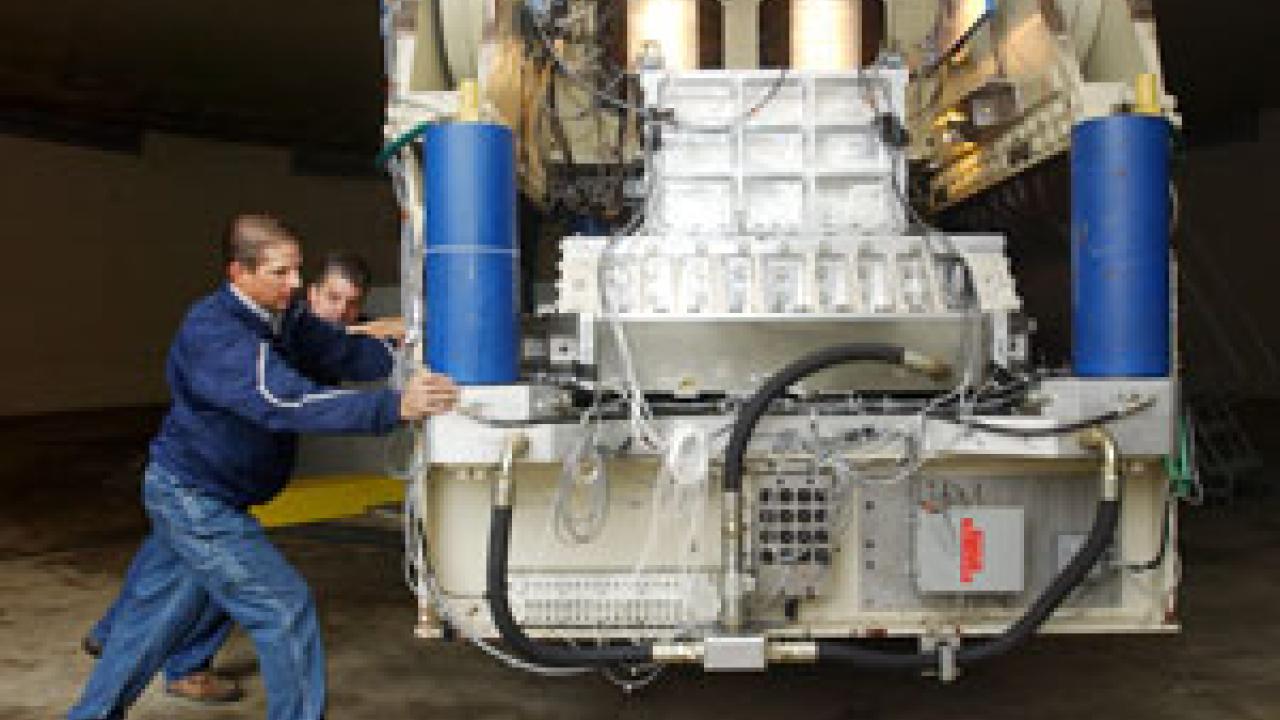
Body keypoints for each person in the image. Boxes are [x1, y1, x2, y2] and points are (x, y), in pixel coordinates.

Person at [68, 214, 458, 720]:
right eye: (280, 272)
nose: (295, 283)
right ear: (239, 272)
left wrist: (416, 351)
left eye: (296, 269)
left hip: (205, 492)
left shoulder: (284, 316)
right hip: (194, 498)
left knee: (148, 623)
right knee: (283, 608)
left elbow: (340, 350)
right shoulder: (215, 332)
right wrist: (394, 407)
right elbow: (281, 399)